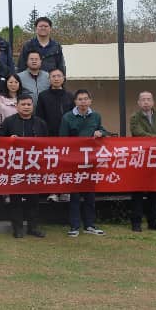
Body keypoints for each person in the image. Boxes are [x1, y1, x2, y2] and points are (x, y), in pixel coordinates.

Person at [60, 89, 109, 237]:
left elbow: (103, 130)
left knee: (90, 195)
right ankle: (74, 226)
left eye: (86, 99)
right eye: (80, 99)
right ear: (75, 101)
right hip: (75, 161)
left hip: (91, 161)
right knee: (75, 195)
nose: (83, 102)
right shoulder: (67, 117)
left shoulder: (96, 116)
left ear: (90, 101)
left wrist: (101, 133)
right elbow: (62, 139)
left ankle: (89, 225)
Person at [0, 93, 48, 238]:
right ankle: (18, 227)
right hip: (15, 166)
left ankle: (33, 227)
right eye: (23, 104)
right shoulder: (9, 122)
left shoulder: (40, 123)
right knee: (16, 199)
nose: (26, 107)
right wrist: (9, 140)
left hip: (34, 166)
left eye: (29, 104)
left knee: (34, 199)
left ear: (33, 106)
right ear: (17, 106)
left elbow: (47, 143)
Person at [128, 91, 156, 233]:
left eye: (148, 99)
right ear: (138, 103)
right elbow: (139, 134)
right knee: (138, 191)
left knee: (155, 191)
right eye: (143, 99)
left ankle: (153, 221)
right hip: (140, 158)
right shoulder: (134, 118)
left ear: (153, 102)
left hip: (155, 158)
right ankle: (136, 222)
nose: (146, 102)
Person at [37, 68, 74, 137]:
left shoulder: (70, 96)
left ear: (63, 78)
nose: (56, 79)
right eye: (53, 76)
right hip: (48, 134)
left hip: (67, 133)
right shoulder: (43, 96)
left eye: (59, 76)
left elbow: (73, 116)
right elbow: (39, 116)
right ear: (49, 79)